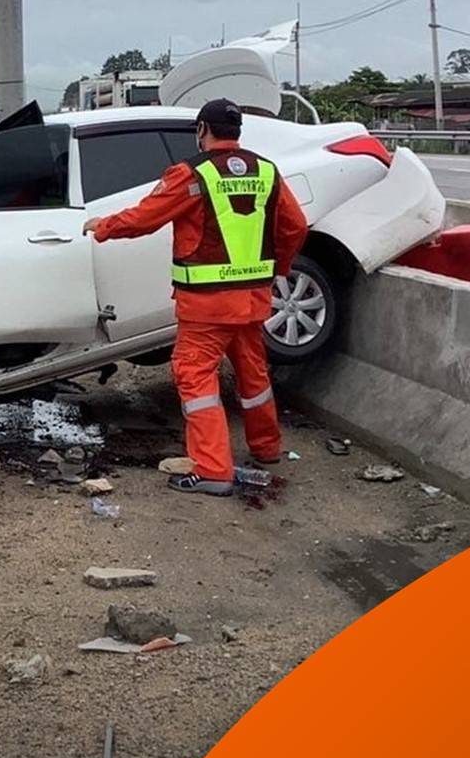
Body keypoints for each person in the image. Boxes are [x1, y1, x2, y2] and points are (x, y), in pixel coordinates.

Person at [84, 99, 309, 497]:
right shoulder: (267, 172)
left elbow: (144, 218)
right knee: (253, 375)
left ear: (203, 129)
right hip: (252, 299)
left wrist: (103, 226)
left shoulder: (192, 174)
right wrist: (278, 268)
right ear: (238, 130)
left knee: (195, 377)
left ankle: (212, 469)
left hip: (206, 305)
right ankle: (267, 448)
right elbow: (294, 226)